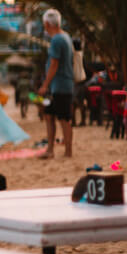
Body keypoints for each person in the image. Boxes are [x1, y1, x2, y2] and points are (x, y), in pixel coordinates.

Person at [38, 9, 75, 159]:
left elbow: (54, 64)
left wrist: (45, 85)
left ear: (47, 24)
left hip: (60, 85)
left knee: (64, 119)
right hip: (61, 85)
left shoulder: (57, 40)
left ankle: (67, 151)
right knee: (49, 115)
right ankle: (51, 149)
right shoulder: (65, 37)